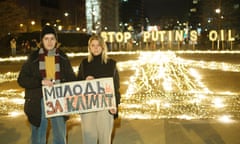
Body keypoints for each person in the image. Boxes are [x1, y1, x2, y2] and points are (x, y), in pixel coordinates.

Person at [17, 25, 76, 144]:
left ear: (56, 41)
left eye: (52, 38)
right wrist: (40, 82)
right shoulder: (33, 57)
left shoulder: (63, 57)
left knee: (60, 135)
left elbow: (71, 78)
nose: (49, 42)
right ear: (41, 41)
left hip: (58, 99)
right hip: (38, 100)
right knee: (39, 135)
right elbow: (22, 79)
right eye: (46, 38)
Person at [77, 35, 121, 144]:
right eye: (93, 45)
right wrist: (85, 80)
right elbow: (77, 85)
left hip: (105, 106)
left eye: (98, 45)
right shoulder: (84, 64)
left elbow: (116, 87)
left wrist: (115, 104)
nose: (95, 48)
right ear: (89, 47)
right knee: (89, 138)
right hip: (88, 106)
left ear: (103, 47)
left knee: (104, 138)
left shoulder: (111, 64)